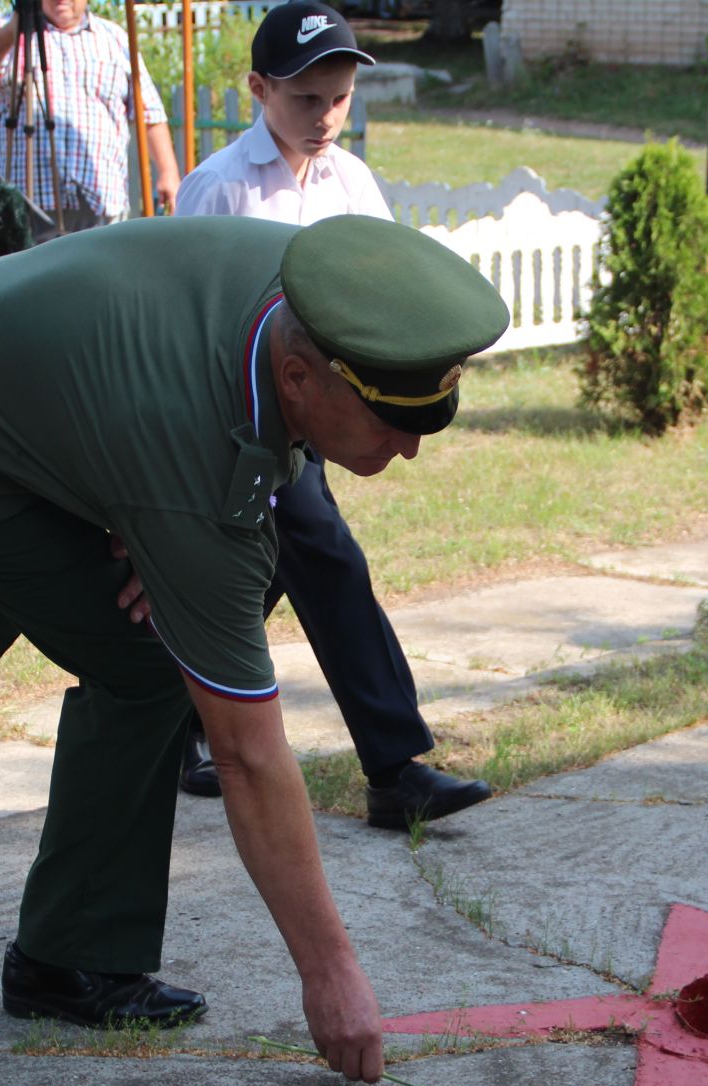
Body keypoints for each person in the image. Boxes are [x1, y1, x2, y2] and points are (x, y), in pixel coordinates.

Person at [0, 214, 508, 1084]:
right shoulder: (200, 431)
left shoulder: (314, 292)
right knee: (149, 660)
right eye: (390, 424)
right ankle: (69, 958)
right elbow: (244, 752)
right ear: (301, 377)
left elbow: (204, 431)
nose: (410, 446)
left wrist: (159, 522)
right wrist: (331, 974)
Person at [173, 1, 491, 832]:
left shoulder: (353, 184)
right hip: (242, 428)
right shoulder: (221, 188)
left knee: (264, 574)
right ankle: (395, 769)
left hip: (321, 427)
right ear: (258, 88)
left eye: (339, 99)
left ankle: (166, 724)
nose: (324, 118)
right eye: (306, 99)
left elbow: (388, 301)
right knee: (329, 560)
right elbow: (185, 321)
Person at [0, 0, 181, 240]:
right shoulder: (8, 29)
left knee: (95, 277)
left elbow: (148, 112)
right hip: (25, 207)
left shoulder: (115, 39)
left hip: (100, 202)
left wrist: (168, 172)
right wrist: (15, 29)